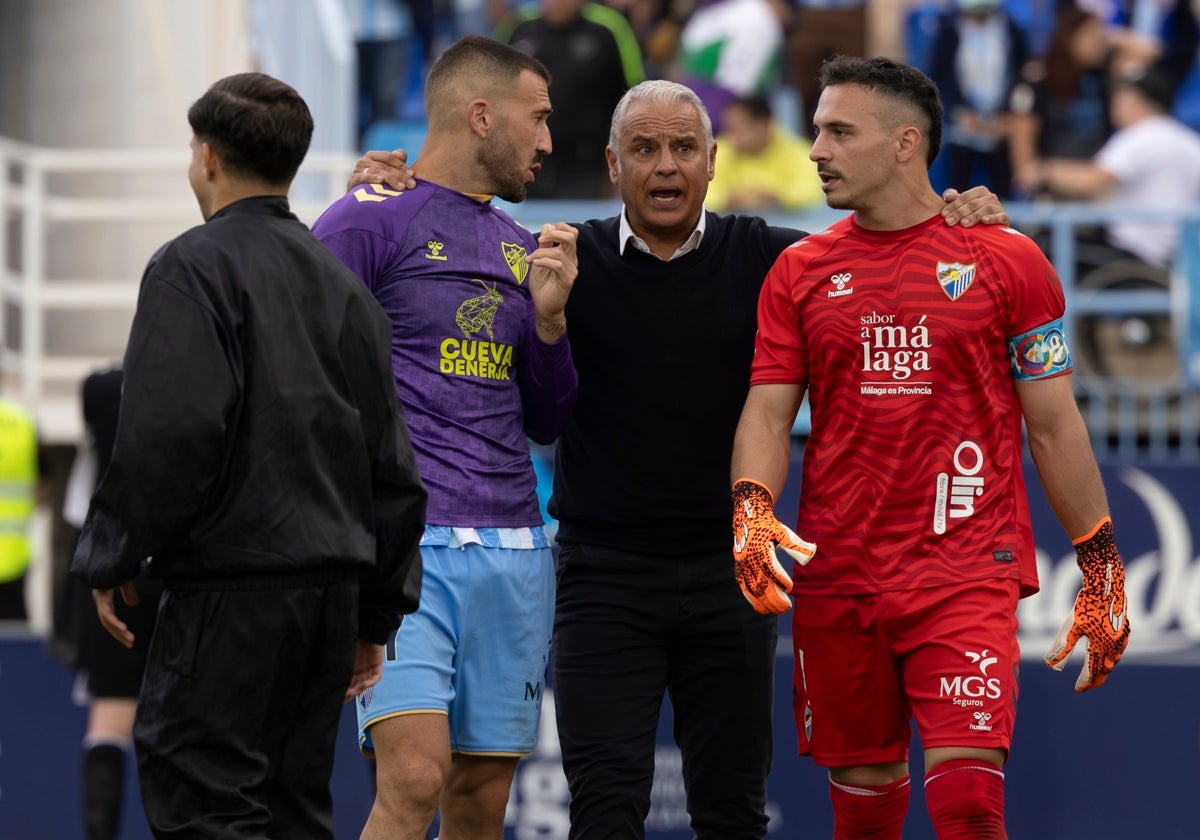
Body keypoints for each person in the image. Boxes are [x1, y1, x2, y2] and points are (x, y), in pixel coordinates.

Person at [350, 79, 1009, 839]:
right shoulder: (563, 260)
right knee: (605, 813)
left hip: (733, 578)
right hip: (601, 580)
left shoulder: (776, 259)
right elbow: (453, 255)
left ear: (713, 160)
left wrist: (966, 219)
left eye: (683, 148)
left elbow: (888, 253)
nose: (666, 165)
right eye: (644, 148)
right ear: (612, 165)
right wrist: (390, 194)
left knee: (732, 813)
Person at [730, 55, 1131, 839]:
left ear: (906, 143)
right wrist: (751, 508)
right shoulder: (799, 271)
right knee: (866, 815)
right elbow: (769, 414)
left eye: (840, 132)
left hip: (961, 572)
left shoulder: (1010, 259)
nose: (815, 150)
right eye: (816, 132)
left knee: (970, 807)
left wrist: (1102, 564)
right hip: (840, 575)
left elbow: (1054, 424)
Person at [69, 71, 427, 839]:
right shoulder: (345, 289)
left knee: (206, 801)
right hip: (329, 599)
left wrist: (110, 555)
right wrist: (375, 612)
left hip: (231, 593)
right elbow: (392, 465)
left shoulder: (190, 267)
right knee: (295, 810)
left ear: (206, 158)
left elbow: (171, 432)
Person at [311, 35, 580, 840]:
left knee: (479, 801)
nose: (547, 142)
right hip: (406, 552)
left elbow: (546, 418)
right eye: (537, 119)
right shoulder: (367, 219)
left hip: (517, 548)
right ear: (480, 115)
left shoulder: (522, 247)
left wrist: (552, 322)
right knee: (416, 775)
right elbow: (307, 369)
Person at [61, 367, 163, 840]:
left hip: (121, 564)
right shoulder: (196, 382)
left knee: (112, 716)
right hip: (170, 567)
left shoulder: (102, 390)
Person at [1017, 62, 1200, 270]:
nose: (1114, 101)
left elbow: (1090, 182)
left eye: (1121, 95)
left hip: (1135, 253)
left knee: (1043, 246)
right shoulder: (1191, 142)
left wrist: (1044, 170)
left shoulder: (1140, 135)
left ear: (1137, 100)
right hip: (1179, 258)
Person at [495, 0, 645, 198]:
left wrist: (622, 165)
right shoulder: (518, 26)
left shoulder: (610, 27)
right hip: (526, 162)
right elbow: (495, 93)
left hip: (587, 164)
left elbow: (633, 99)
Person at [926, 0, 1030, 198]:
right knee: (957, 193)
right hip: (962, 128)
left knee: (1003, 194)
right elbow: (938, 78)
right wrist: (960, 113)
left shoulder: (1011, 29)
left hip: (1002, 127)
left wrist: (1009, 115)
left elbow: (1023, 75)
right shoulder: (947, 30)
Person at [706, 92, 823, 213]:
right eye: (728, 128)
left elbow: (813, 192)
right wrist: (724, 201)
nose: (730, 135)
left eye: (737, 127)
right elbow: (702, 190)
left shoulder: (798, 150)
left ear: (763, 124)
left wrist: (779, 197)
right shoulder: (719, 150)